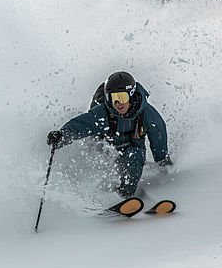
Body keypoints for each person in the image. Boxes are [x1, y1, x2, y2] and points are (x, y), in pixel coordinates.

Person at [46, 71, 173, 199]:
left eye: (122, 97)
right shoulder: (103, 113)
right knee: (101, 163)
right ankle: (102, 196)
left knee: (134, 156)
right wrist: (62, 135)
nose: (118, 103)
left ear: (131, 94)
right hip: (105, 149)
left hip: (133, 151)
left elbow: (159, 137)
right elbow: (82, 124)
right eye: (113, 99)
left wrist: (163, 163)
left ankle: (125, 194)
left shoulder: (147, 115)